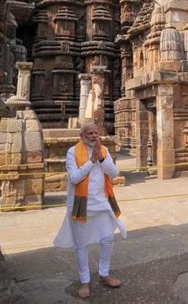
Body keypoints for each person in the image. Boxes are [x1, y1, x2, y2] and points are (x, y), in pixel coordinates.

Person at [54, 122, 127, 299]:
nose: (94, 136)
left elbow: (114, 173)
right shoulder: (72, 152)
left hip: (102, 202)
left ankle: (104, 274)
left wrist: (101, 159)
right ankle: (85, 281)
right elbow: (74, 178)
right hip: (81, 204)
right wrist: (91, 161)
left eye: (96, 132)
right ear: (82, 136)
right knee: (81, 244)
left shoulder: (104, 151)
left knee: (108, 238)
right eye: (89, 133)